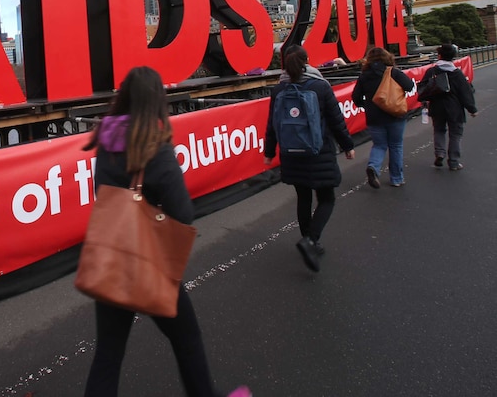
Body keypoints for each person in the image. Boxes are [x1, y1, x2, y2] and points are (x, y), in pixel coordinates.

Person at [82, 66, 251, 397]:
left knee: (109, 353)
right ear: (157, 101)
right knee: (186, 337)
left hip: (111, 259)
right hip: (149, 263)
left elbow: (103, 194)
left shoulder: (104, 139)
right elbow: (183, 213)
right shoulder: (156, 147)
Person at [264, 45, 355, 272]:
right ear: (307, 61)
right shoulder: (320, 87)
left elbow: (272, 126)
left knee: (303, 197)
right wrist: (348, 146)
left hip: (291, 154)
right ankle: (311, 240)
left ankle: (309, 239)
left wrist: (269, 152)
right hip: (319, 151)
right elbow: (336, 121)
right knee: (327, 198)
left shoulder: (278, 90)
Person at [351, 47, 415, 188]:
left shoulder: (364, 76)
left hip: (374, 117)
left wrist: (366, 105)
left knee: (379, 145)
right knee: (396, 145)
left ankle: (373, 167)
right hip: (395, 114)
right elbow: (410, 86)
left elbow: (355, 97)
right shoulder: (393, 72)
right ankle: (396, 178)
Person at [420, 43, 478, 170]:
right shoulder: (457, 73)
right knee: (455, 134)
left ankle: (440, 153)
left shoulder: (432, 71)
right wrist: (472, 109)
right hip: (454, 108)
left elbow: (422, 88)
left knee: (439, 130)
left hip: (437, 107)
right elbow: (465, 92)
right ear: (453, 56)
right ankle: (454, 161)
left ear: (439, 55)